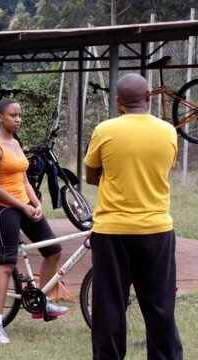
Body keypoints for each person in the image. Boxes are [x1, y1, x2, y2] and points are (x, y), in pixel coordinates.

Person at [84, 73, 183, 359]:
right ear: (149, 97)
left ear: (118, 102)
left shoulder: (105, 130)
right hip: (157, 230)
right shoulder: (168, 131)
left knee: (109, 307)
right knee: (161, 306)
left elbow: (91, 176)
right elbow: (162, 170)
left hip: (112, 231)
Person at [0, 99, 68, 345]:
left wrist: (36, 203)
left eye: (20, 115)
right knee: (7, 264)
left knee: (53, 251)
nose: (18, 119)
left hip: (23, 204)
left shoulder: (16, 143)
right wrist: (23, 207)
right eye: (12, 115)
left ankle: (41, 303)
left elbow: (24, 180)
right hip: (2, 207)